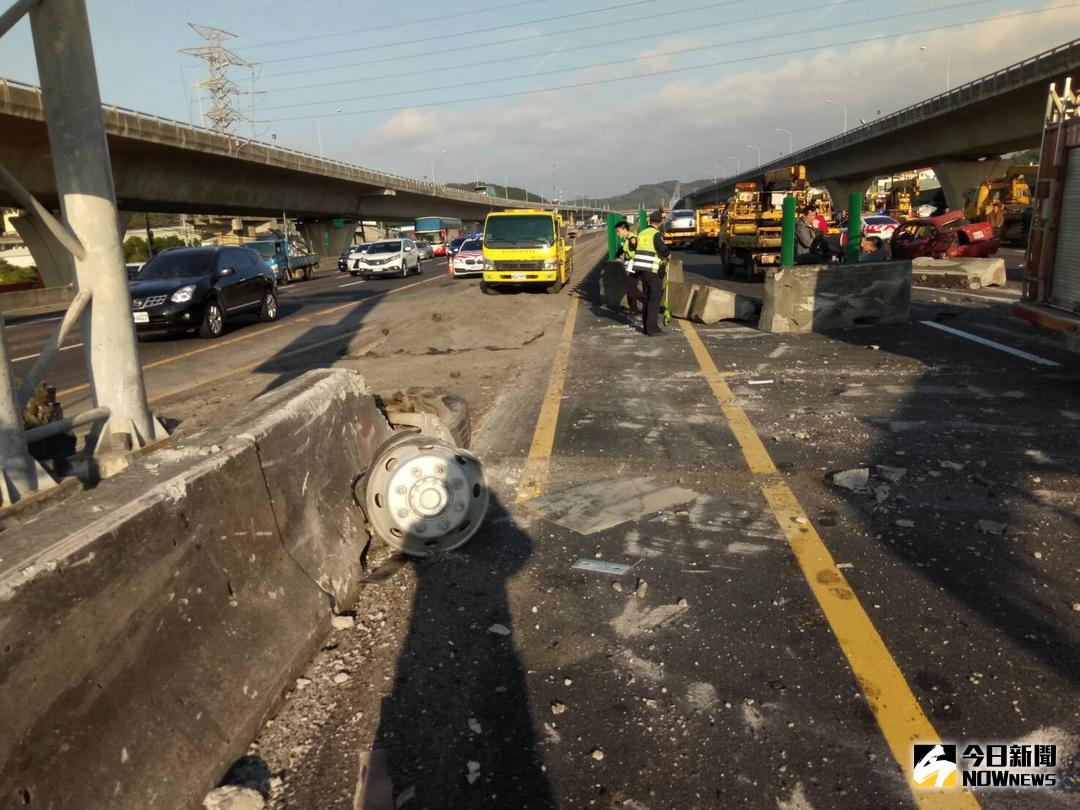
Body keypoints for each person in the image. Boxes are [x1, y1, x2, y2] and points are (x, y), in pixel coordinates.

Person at [630, 211, 670, 336]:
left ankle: (646, 327)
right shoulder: (656, 234)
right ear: (660, 222)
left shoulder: (642, 233)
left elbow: (636, 248)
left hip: (641, 270)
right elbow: (662, 249)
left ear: (649, 221)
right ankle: (652, 329)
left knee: (647, 299)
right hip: (652, 271)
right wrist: (668, 255)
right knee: (654, 300)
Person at [614, 220, 642, 315]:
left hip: (634, 267)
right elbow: (623, 249)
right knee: (631, 288)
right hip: (631, 268)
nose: (617, 234)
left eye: (618, 231)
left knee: (631, 289)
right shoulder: (627, 239)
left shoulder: (632, 238)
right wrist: (618, 254)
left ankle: (649, 303)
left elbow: (638, 248)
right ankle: (633, 308)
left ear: (624, 229)